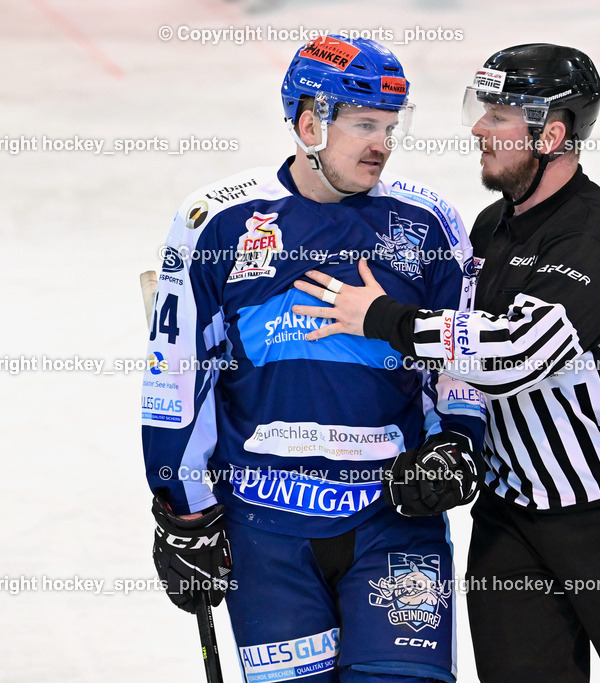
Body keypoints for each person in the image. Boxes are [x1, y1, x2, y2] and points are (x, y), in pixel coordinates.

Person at [293, 44, 600, 683]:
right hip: (511, 522)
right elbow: (453, 357)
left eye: (498, 117)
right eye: (480, 110)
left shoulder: (595, 237)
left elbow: (515, 353)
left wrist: (383, 318)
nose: (478, 130)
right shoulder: (491, 228)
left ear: (551, 134)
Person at [141, 35, 485, 683]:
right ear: (308, 124)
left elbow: (457, 355)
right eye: (363, 125)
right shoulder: (217, 220)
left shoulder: (427, 220)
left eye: (389, 125)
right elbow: (179, 374)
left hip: (395, 520)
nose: (381, 143)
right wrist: (182, 508)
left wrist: (458, 443)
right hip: (264, 531)